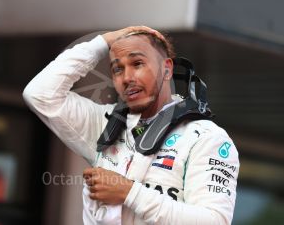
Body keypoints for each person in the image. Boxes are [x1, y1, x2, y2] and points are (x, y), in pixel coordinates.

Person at [23, 26, 239, 224]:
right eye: (117, 69)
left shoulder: (205, 137)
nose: (127, 77)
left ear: (167, 69)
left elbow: (215, 221)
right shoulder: (106, 123)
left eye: (137, 64)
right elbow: (39, 95)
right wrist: (103, 42)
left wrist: (128, 192)